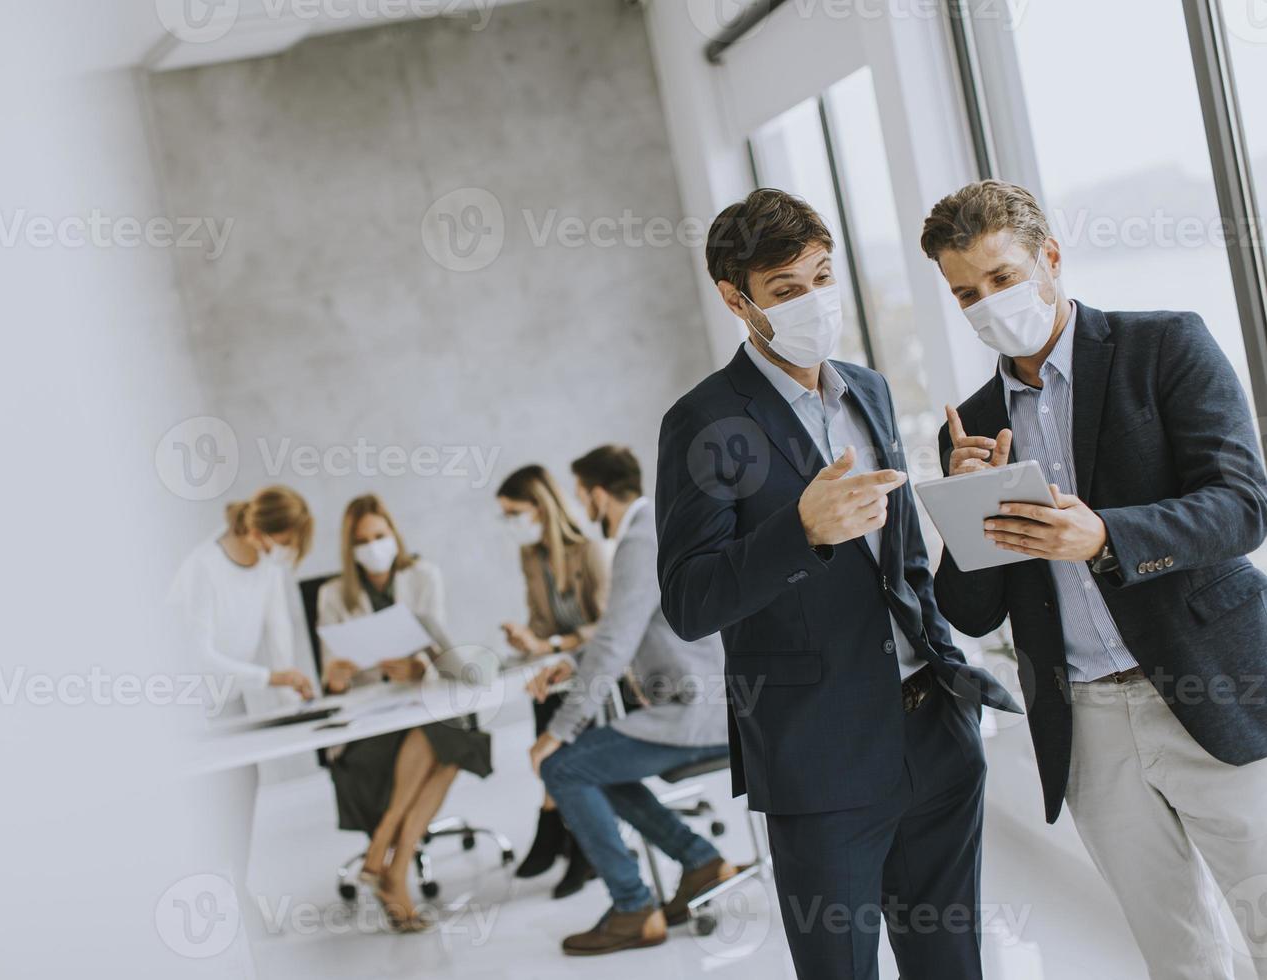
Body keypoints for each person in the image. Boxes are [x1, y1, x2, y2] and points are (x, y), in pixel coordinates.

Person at [655, 188, 1020, 980]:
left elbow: (905, 564)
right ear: (736, 300)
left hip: (936, 736)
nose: (815, 302)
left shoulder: (869, 389)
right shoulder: (708, 421)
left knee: (953, 966)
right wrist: (801, 532)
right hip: (820, 763)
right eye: (788, 292)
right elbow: (688, 600)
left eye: (823, 277)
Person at [924, 179, 1267, 978]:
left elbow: (1243, 505)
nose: (988, 304)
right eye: (966, 293)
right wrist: (963, 518)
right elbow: (971, 614)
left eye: (1003, 278)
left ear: (1049, 258)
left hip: (1215, 689)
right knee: (1178, 956)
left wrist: (1108, 535)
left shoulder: (1166, 344)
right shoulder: (971, 427)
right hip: (1087, 725)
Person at [527, 446, 737, 956]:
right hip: (709, 705)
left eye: (581, 496)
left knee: (563, 766)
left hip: (698, 713)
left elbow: (617, 642)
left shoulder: (641, 540)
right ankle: (699, 860)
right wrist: (574, 662)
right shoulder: (655, 530)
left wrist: (558, 731)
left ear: (597, 493)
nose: (582, 508)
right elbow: (624, 629)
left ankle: (632, 907)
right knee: (591, 767)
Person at [316, 493, 492, 933]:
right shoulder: (333, 594)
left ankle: (386, 853)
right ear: (349, 548)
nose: (373, 546)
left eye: (380, 535)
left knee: (450, 731)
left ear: (394, 534)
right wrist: (337, 675)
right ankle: (393, 867)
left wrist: (419, 667)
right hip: (368, 725)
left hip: (417, 705)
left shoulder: (423, 576)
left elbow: (441, 652)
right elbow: (330, 681)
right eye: (362, 540)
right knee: (452, 742)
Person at [496, 464, 608, 898]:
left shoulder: (589, 550)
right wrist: (528, 639)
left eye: (514, 513)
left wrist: (557, 642)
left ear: (540, 509)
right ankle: (561, 827)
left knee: (560, 733)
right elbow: (542, 625)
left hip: (600, 672)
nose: (511, 525)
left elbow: (610, 626)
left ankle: (565, 834)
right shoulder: (532, 557)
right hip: (560, 672)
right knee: (543, 695)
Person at [170, 485, 319, 715]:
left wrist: (293, 696)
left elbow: (279, 629)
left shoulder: (269, 564)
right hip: (185, 699)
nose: (288, 551)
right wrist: (270, 678)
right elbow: (199, 656)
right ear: (257, 532)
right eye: (286, 542)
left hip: (230, 695)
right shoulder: (204, 567)